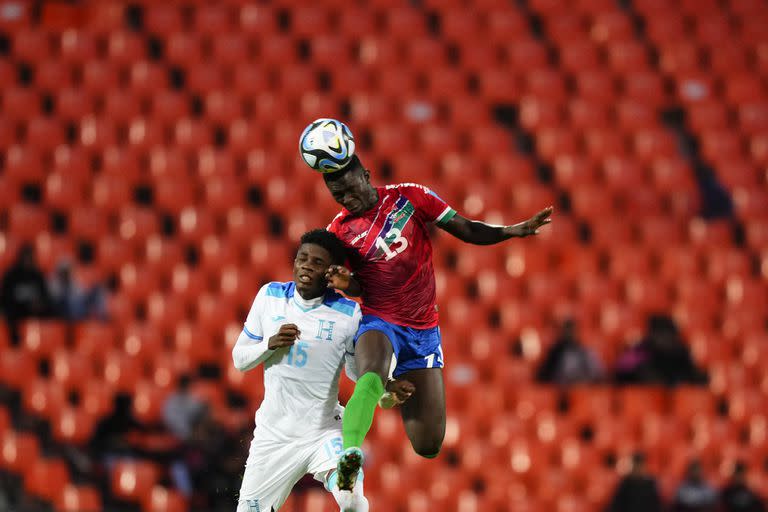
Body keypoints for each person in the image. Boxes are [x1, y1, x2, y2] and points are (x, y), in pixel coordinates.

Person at [312, 121, 552, 490]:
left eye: (350, 188)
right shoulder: (338, 233)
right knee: (372, 371)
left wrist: (510, 231)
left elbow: (466, 229)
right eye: (338, 195)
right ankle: (349, 457)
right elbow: (353, 283)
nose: (347, 199)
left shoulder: (410, 197)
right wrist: (348, 283)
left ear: (366, 174)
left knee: (428, 445)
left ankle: (388, 392)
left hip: (424, 332)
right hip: (380, 320)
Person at [231, 229, 413, 512]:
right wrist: (270, 344)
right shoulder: (270, 296)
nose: (306, 265)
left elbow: (354, 371)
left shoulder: (347, 314)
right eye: (302, 258)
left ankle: (350, 482)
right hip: (274, 435)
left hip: (324, 430)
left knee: (350, 500)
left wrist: (386, 383)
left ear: (330, 273)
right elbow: (240, 360)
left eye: (316, 262)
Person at [614, 314, 708, 387]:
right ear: (653, 335)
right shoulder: (639, 352)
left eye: (669, 335)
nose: (666, 339)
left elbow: (693, 379)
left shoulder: (681, 354)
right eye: (662, 334)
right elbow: (621, 372)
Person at [0, 243, 52, 344]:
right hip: (15, 311)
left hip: (33, 312)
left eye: (30, 258)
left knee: (49, 314)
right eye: (26, 258)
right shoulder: (11, 275)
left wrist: (40, 304)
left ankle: (41, 343)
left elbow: (45, 297)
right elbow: (5, 297)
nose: (28, 261)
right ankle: (14, 344)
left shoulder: (37, 276)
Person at [535, 317, 604, 385]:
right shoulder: (555, 352)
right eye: (566, 331)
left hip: (583, 389)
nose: (569, 334)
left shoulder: (586, 352)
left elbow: (597, 375)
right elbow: (547, 376)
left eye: (571, 330)